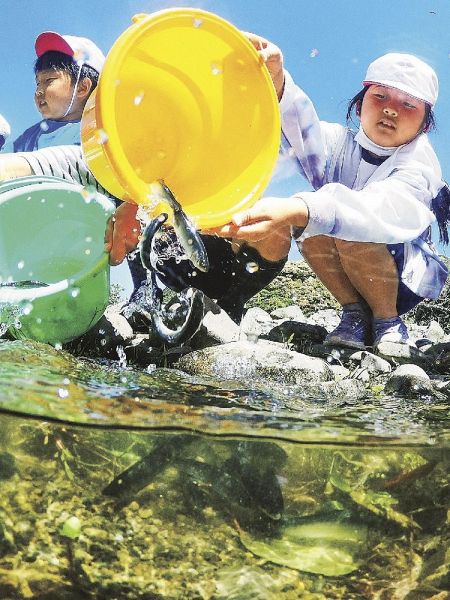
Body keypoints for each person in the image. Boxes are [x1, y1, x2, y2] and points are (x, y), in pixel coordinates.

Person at [207, 36, 450, 350]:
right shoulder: (341, 143)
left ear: (424, 125)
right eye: (380, 96)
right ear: (360, 105)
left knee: (340, 220)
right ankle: (355, 314)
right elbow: (300, 130)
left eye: (408, 104)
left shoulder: (420, 164)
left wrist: (302, 206)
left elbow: (382, 208)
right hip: (354, 266)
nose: (390, 110)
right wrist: (276, 80)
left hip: (405, 277)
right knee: (309, 223)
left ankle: (387, 320)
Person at [3, 31, 105, 152]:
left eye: (49, 80)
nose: (38, 91)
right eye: (38, 83)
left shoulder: (92, 131)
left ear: (82, 88)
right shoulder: (31, 136)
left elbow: (73, 159)